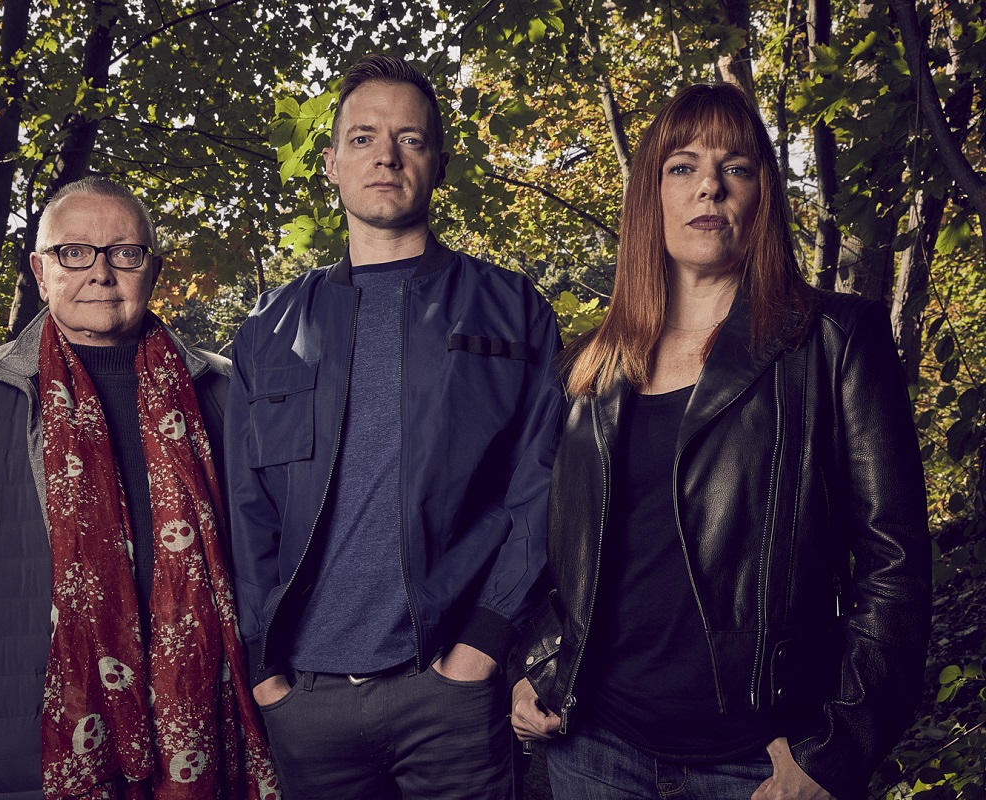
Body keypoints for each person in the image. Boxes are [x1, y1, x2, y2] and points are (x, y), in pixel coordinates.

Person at [510, 83, 931, 800]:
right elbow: (556, 552)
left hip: (762, 761)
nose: (710, 184)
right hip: (596, 749)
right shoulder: (587, 368)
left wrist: (838, 750)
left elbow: (895, 565)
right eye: (683, 166)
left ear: (761, 195)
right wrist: (536, 664)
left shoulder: (834, 341)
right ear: (652, 196)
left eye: (735, 167)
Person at [225, 54, 563, 799]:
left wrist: (481, 648)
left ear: (438, 164)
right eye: (363, 138)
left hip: (449, 692)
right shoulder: (271, 330)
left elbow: (545, 485)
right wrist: (265, 673)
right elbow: (245, 516)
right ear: (331, 165)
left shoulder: (511, 311)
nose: (385, 154)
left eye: (410, 139)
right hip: (307, 702)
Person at [0, 176, 277, 800]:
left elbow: (274, 554)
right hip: (35, 745)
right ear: (41, 272)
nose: (100, 273)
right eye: (74, 252)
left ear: (152, 269)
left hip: (211, 731)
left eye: (123, 252)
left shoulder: (225, 393)